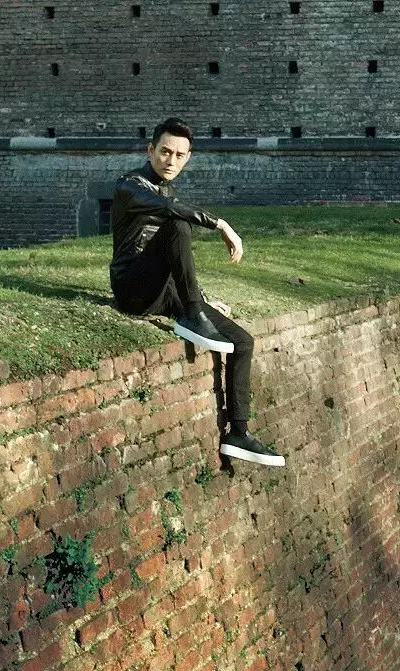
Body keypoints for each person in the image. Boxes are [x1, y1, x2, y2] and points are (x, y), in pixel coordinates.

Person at [110, 117, 285, 467]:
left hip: (164, 291)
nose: (171, 160)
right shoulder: (129, 185)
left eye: (179, 155)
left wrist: (201, 296)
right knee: (177, 223)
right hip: (132, 288)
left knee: (243, 341)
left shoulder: (167, 191)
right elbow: (169, 213)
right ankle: (192, 315)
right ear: (150, 150)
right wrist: (220, 224)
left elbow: (175, 260)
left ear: (187, 158)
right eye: (165, 152)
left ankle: (238, 432)